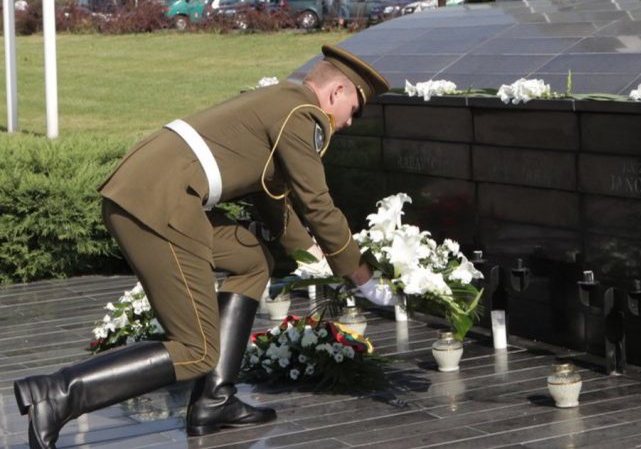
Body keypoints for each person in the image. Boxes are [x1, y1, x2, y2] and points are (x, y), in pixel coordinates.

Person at [13, 45, 395, 448]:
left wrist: (308, 254)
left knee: (251, 260)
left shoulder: (283, 102)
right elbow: (317, 202)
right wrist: (360, 276)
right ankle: (57, 394)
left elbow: (272, 196)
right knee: (195, 349)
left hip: (158, 191)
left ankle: (214, 399)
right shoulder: (304, 116)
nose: (350, 121)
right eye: (354, 108)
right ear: (335, 92)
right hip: (162, 201)